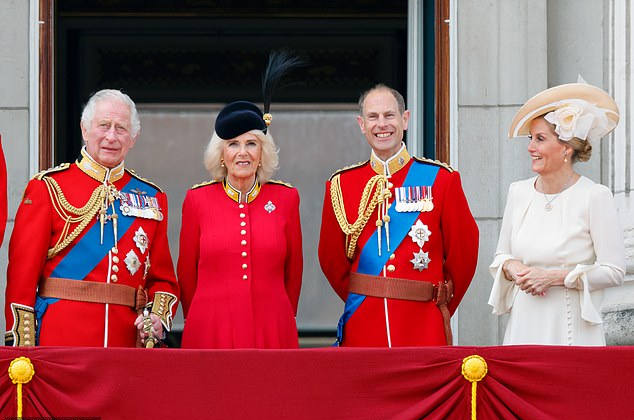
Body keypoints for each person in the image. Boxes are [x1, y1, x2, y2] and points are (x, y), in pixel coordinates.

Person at [4, 89, 179, 347]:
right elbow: (22, 278)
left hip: (126, 346)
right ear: (85, 130)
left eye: (121, 128)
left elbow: (163, 280)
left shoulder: (153, 198)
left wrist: (156, 319)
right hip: (60, 343)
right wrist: (23, 347)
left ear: (133, 137)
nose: (111, 136)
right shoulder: (48, 188)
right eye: (104, 126)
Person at [318, 84, 479, 347]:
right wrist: (366, 296)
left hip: (423, 326)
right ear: (361, 124)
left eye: (389, 115)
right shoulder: (341, 184)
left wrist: (436, 303)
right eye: (373, 117)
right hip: (364, 325)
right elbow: (331, 260)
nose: (382, 124)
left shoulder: (441, 180)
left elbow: (464, 256)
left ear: (405, 119)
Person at [177, 54, 304, 349]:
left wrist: (284, 317)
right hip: (210, 327)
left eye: (251, 143)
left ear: (263, 152)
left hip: (272, 326)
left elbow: (293, 272)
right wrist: (197, 318)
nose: (242, 152)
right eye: (233, 144)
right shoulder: (197, 200)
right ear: (221, 153)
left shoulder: (286, 198)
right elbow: (187, 274)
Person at [488, 82, 626, 346]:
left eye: (540, 139)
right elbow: (501, 255)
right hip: (524, 328)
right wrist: (512, 267)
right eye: (531, 139)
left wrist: (554, 277)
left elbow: (614, 271)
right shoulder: (518, 193)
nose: (531, 147)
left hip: (572, 331)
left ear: (566, 148)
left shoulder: (594, 196)